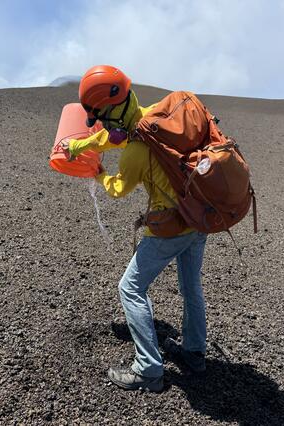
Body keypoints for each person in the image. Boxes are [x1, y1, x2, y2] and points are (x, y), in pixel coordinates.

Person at [68, 65, 208, 392]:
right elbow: (115, 136)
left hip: (170, 227)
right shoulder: (151, 116)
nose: (99, 123)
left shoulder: (135, 153)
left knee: (130, 289)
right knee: (191, 287)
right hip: (200, 216)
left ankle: (148, 369)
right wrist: (79, 146)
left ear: (115, 111)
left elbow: (117, 189)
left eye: (101, 116)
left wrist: (99, 172)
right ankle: (194, 352)